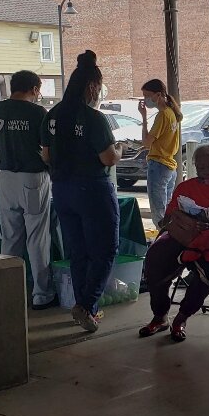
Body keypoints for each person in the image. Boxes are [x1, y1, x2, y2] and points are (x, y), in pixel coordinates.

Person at [41, 50, 124, 332]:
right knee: (105, 249)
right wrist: (121, 150)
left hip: (62, 189)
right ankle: (87, 305)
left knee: (78, 251)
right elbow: (108, 158)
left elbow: (46, 156)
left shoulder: (52, 115)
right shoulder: (93, 118)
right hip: (93, 190)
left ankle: (85, 306)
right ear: (91, 86)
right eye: (99, 88)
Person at [138, 144, 209, 341]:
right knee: (155, 256)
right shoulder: (185, 187)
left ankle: (181, 317)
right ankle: (160, 315)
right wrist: (180, 216)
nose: (204, 170)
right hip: (184, 234)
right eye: (200, 166)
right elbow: (167, 219)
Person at [0, 70, 54, 309]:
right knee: (37, 237)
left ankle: (9, 291)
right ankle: (41, 294)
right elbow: (47, 150)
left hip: (5, 178)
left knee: (10, 237)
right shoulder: (38, 113)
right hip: (33, 178)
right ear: (35, 89)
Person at [139, 79, 183, 228]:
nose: (146, 100)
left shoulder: (162, 115)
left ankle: (162, 239)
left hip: (158, 165)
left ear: (158, 95)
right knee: (166, 209)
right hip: (169, 166)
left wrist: (144, 118)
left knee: (158, 212)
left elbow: (146, 142)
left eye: (147, 95)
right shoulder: (172, 113)